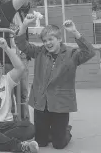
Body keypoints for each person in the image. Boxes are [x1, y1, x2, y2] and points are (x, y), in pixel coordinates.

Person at [15, 15, 96, 149]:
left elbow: (90, 52)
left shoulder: (72, 54)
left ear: (59, 39)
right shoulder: (39, 52)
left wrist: (75, 32)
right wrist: (24, 25)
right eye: (45, 40)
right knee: (41, 142)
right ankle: (51, 131)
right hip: (41, 103)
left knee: (59, 145)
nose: (48, 43)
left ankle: (65, 130)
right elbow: (21, 44)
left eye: (51, 39)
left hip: (60, 104)